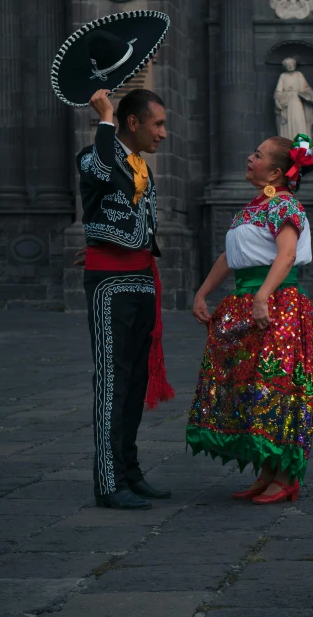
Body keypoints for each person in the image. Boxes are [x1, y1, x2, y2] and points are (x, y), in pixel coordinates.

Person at [187, 134, 313, 504]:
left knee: (275, 385)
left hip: (276, 306)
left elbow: (287, 255)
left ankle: (285, 475)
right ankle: (267, 470)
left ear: (276, 171)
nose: (249, 158)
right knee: (249, 386)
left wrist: (263, 296)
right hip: (247, 303)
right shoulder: (254, 207)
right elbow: (232, 257)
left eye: (257, 155)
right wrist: (202, 292)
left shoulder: (285, 205)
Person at [78, 87, 174, 510]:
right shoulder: (92, 156)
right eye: (158, 124)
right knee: (112, 382)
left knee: (134, 384)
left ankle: (130, 473)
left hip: (140, 280)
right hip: (109, 282)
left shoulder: (141, 168)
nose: (164, 133)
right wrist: (103, 117)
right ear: (131, 122)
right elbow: (100, 168)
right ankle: (108, 480)